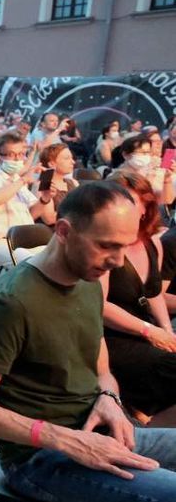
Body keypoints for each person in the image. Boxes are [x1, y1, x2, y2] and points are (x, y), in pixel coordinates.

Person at [0, 181, 176, 502]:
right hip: (40, 460)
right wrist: (64, 439)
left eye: (124, 247)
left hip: (95, 432)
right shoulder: (14, 303)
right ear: (64, 231)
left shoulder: (88, 280)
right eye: (107, 246)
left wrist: (108, 397)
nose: (117, 261)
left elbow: (99, 360)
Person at [98, 172, 176, 425]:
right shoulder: (104, 247)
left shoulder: (153, 244)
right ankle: (150, 438)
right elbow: (99, 305)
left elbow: (154, 294)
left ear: (145, 207)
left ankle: (152, 426)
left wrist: (166, 331)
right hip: (109, 338)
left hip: (144, 331)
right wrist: (151, 332)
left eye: (131, 202)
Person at [0, 132, 55, 265]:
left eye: (21, 154)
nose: (17, 159)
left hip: (21, 239)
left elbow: (32, 214)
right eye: (11, 154)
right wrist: (23, 180)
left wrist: (45, 198)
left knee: (59, 259)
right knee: (32, 264)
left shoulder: (15, 179)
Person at [115, 128, 175, 207]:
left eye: (160, 141)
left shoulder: (161, 162)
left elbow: (166, 200)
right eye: (155, 141)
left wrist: (168, 179)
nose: (159, 144)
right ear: (126, 155)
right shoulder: (118, 176)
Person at [38, 142, 79, 213]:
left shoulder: (74, 183)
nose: (73, 162)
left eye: (72, 158)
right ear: (51, 163)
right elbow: (49, 219)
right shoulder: (43, 186)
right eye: (67, 158)